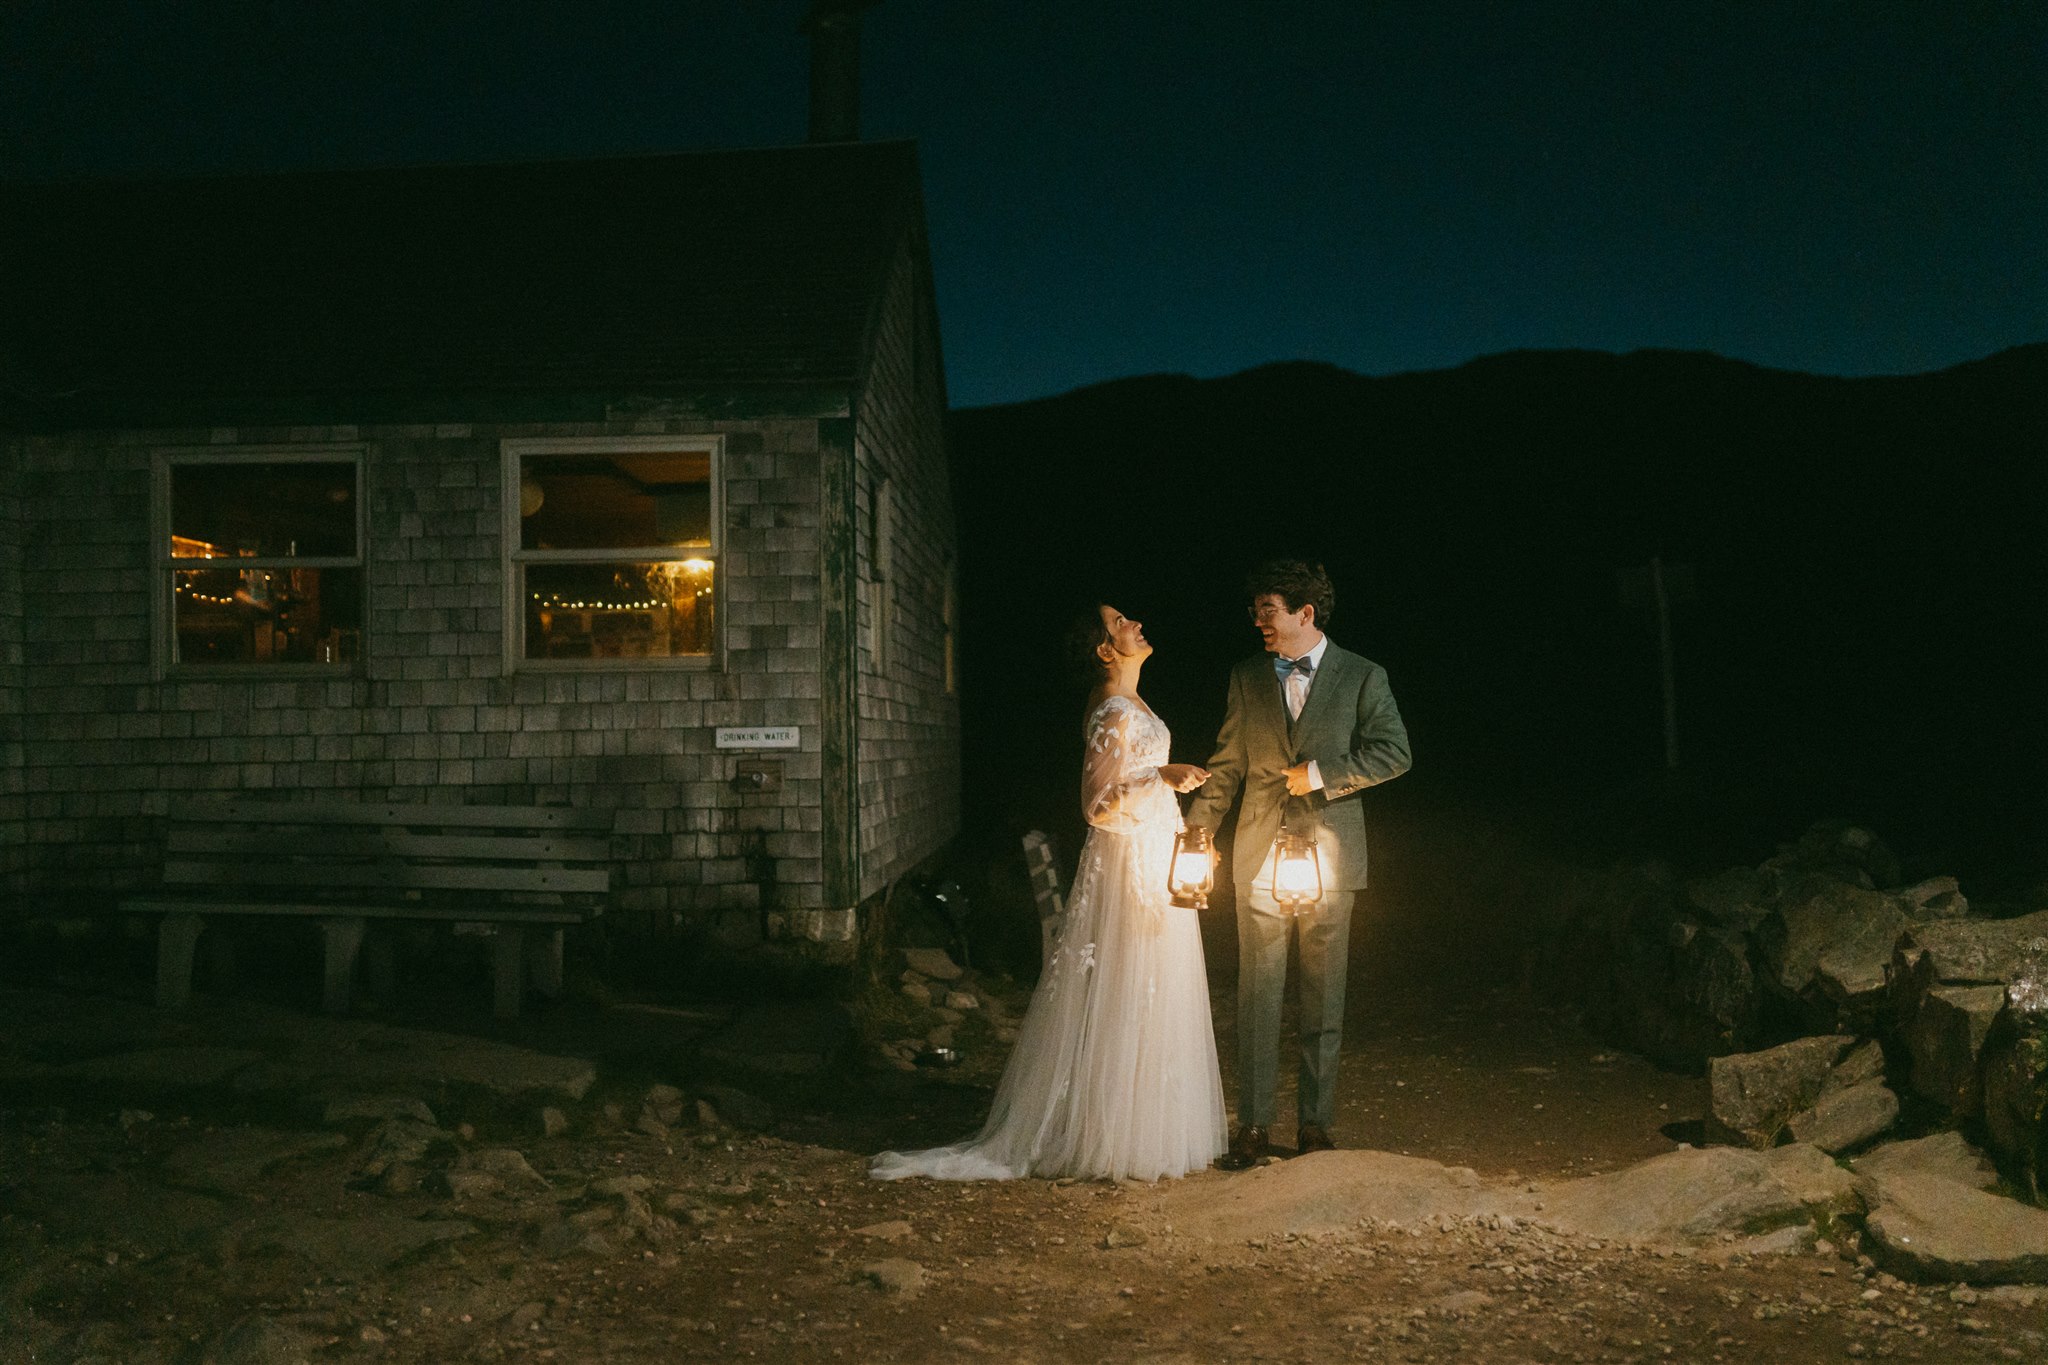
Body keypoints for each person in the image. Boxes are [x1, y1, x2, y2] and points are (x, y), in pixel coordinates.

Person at [871, 603, 1227, 1182]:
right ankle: (1107, 1137)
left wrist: (1185, 836)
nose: (1136, 623)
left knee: (1154, 981)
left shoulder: (1131, 704)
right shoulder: (1112, 710)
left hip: (1156, 851)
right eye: (1120, 624)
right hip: (1126, 864)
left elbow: (1138, 793)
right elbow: (1096, 805)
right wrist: (1160, 776)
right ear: (1106, 652)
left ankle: (1142, 1124)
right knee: (1126, 980)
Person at [1184, 560, 1411, 1170]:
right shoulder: (1246, 676)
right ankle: (1253, 1127)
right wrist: (1198, 828)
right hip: (1258, 856)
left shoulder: (1364, 676)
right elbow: (1228, 762)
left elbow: (1395, 752)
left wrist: (1321, 775)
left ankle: (1315, 1127)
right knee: (1257, 996)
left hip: (1331, 858)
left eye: (1269, 609)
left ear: (1304, 614)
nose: (1258, 620)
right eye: (1255, 609)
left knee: (1322, 996)